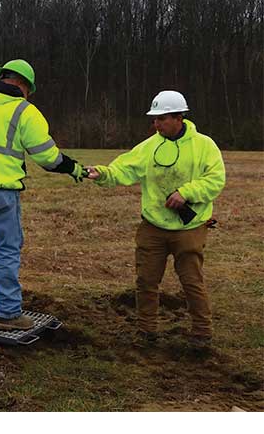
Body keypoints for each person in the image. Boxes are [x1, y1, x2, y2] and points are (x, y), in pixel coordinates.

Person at [0, 59, 85, 331]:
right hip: (2, 192)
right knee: (7, 250)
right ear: (23, 85)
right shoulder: (24, 111)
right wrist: (73, 168)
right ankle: (8, 314)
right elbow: (47, 157)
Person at [86, 91, 225, 345]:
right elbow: (124, 168)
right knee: (146, 281)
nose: (156, 124)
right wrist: (103, 173)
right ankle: (146, 331)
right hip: (153, 227)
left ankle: (202, 333)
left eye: (161, 118)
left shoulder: (205, 146)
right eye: (155, 119)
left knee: (192, 281)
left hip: (190, 228)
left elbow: (216, 180)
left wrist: (186, 193)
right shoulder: (149, 146)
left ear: (178, 117)